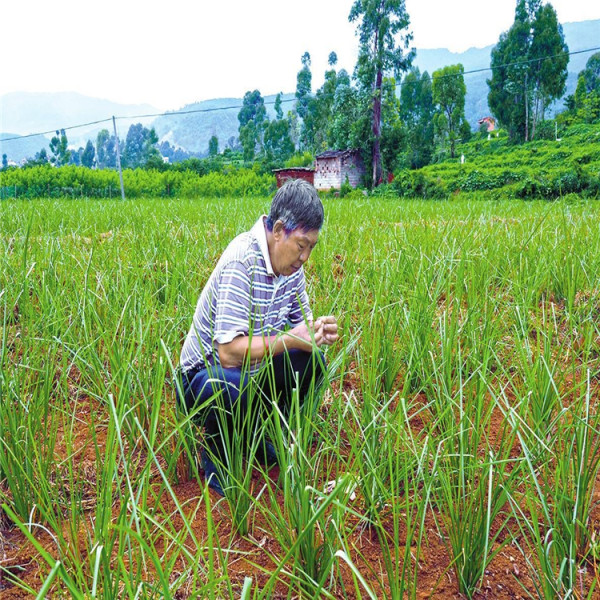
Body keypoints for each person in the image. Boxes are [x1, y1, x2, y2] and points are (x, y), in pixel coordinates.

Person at [178, 179, 339, 495]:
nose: (304, 257)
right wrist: (292, 339)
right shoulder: (243, 260)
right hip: (204, 379)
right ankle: (216, 454)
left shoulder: (292, 269)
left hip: (249, 372)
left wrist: (317, 331)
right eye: (301, 245)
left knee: (311, 361)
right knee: (230, 384)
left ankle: (254, 434)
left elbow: (301, 329)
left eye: (311, 248)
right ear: (279, 231)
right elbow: (227, 353)